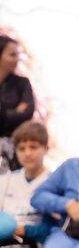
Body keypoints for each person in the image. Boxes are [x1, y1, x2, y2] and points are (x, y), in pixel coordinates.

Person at [0, 36, 35, 169]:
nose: (17, 59)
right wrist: (15, 112)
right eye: (12, 54)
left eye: (18, 54)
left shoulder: (22, 83)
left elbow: (28, 113)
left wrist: (3, 114)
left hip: (14, 153)